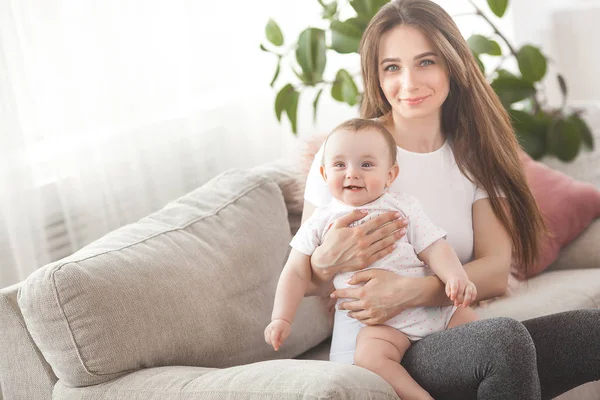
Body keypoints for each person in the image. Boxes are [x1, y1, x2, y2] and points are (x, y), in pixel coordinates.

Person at [300, 1, 600, 399]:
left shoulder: (474, 154)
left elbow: (494, 271)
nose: (409, 82)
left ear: (453, 64)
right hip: (382, 347)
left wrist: (408, 290)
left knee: (592, 332)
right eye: (392, 67)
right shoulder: (351, 153)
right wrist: (326, 260)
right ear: (376, 76)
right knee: (502, 341)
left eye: (426, 62)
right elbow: (304, 276)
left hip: (444, 327)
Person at [265, 118, 478, 399]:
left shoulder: (403, 207)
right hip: (380, 326)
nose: (352, 173)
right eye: (340, 165)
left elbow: (435, 247)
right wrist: (281, 318)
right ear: (324, 173)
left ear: (390, 175)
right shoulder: (320, 221)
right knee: (369, 356)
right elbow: (295, 271)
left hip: (431, 310)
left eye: (366, 165)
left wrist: (456, 277)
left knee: (478, 328)